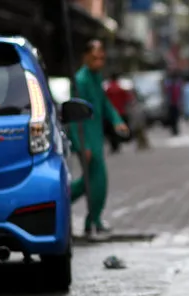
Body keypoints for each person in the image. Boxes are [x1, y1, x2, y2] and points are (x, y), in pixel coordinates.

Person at [68, 40, 128, 239]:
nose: (99, 62)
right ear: (85, 57)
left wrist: (116, 120)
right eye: (95, 58)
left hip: (96, 136)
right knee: (96, 181)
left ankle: (91, 219)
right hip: (85, 137)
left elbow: (104, 102)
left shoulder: (95, 78)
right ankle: (87, 217)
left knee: (91, 182)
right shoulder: (81, 80)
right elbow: (74, 116)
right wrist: (80, 144)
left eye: (102, 58)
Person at [104, 73, 132, 153]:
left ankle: (114, 145)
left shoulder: (108, 89)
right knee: (119, 129)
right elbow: (127, 99)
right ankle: (119, 142)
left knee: (112, 131)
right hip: (120, 111)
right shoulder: (120, 89)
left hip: (111, 113)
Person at [163, 69, 183, 135]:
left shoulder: (177, 83)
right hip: (171, 103)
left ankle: (175, 129)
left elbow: (180, 93)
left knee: (175, 117)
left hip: (175, 103)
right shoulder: (169, 83)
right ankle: (174, 129)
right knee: (172, 117)